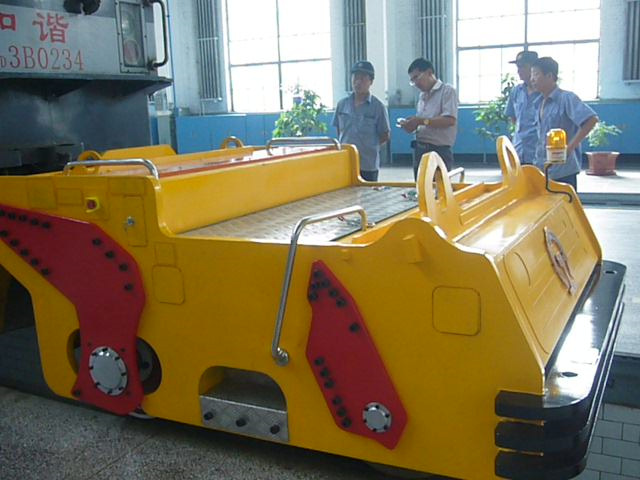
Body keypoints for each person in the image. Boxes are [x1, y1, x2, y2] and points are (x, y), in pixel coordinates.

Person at [530, 57, 598, 190]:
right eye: (532, 74)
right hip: (543, 168)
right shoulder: (538, 102)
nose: (532, 79)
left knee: (565, 202)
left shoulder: (566, 98)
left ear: (549, 76)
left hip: (563, 171)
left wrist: (569, 148)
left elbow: (591, 119)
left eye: (536, 74)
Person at [399, 58, 458, 180]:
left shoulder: (447, 91)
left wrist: (421, 121)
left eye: (417, 77)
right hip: (420, 149)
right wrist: (412, 124)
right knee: (421, 187)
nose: (415, 83)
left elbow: (449, 120)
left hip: (438, 151)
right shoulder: (422, 96)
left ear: (429, 72)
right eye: (412, 80)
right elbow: (423, 121)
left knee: (437, 189)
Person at [332, 61, 391, 182]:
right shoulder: (342, 104)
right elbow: (339, 130)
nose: (358, 82)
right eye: (355, 77)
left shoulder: (378, 107)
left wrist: (369, 145)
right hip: (345, 162)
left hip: (368, 164)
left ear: (371, 81)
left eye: (363, 78)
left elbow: (385, 135)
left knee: (368, 193)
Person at [505, 50, 541, 165]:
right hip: (519, 151)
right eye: (517, 67)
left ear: (533, 68)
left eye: (522, 66)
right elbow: (513, 118)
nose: (518, 71)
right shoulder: (517, 91)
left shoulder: (545, 93)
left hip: (538, 152)